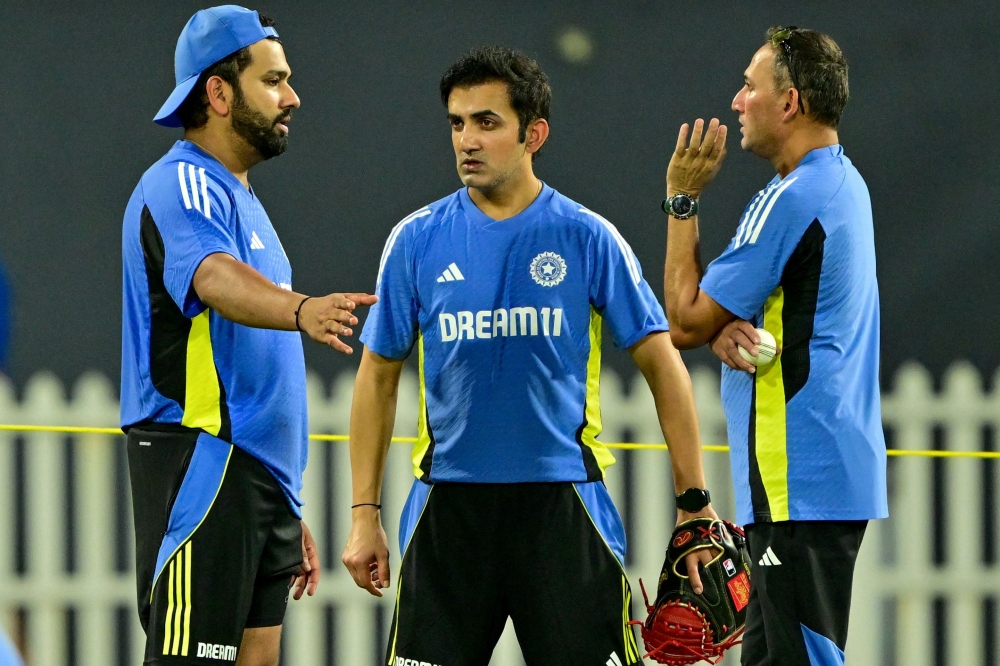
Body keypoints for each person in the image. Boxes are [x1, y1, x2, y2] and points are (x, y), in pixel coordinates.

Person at [341, 46, 717, 666]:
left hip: (563, 509)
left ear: (533, 133)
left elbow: (664, 366)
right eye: (457, 123)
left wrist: (694, 503)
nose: (467, 139)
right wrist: (364, 516)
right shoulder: (415, 240)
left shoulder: (587, 237)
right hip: (448, 512)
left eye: (487, 122)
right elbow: (377, 376)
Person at [120, 7, 375, 664]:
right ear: (218, 92)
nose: (292, 97)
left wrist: (283, 499)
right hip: (202, 467)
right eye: (274, 80)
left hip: (256, 481)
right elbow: (213, 278)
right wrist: (301, 310)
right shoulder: (180, 182)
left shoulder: (241, 199)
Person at [660, 26, 888, 665]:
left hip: (800, 478)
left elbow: (682, 320)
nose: (737, 102)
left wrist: (682, 202)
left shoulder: (794, 197)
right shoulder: (840, 183)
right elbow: (740, 319)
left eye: (749, 87)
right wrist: (723, 326)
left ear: (790, 103)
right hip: (817, 476)